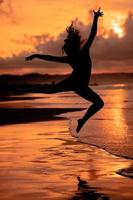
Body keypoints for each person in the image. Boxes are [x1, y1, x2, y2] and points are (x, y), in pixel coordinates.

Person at [25, 8, 104, 134]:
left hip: (81, 87)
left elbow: (92, 34)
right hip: (75, 84)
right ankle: (23, 90)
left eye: (67, 48)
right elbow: (51, 58)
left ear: (72, 47)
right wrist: (36, 55)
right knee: (49, 90)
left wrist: (95, 18)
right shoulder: (73, 56)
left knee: (99, 103)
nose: (65, 50)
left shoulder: (80, 53)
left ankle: (82, 121)